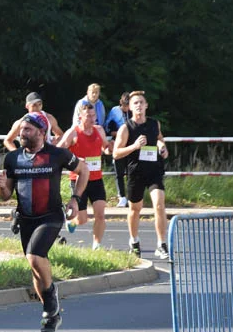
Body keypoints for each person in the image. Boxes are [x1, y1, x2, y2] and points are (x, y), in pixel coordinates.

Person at [0, 112, 89, 332]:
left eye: (27, 129)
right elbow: (6, 195)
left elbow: (83, 170)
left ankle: (51, 299)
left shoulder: (57, 154)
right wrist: (0, 186)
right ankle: (51, 314)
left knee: (35, 256)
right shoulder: (13, 158)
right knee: (36, 268)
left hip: (51, 216)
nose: (21, 134)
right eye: (20, 130)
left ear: (41, 132)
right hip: (26, 218)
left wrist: (75, 199)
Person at [112, 91, 170, 259]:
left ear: (146, 106)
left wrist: (162, 147)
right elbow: (116, 153)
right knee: (135, 209)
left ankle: (161, 244)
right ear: (130, 107)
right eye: (135, 103)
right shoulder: (126, 128)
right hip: (135, 173)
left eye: (141, 102)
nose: (138, 105)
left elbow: (159, 138)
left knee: (159, 204)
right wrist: (134, 147)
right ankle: (134, 241)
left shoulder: (154, 124)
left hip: (154, 171)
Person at [56, 101, 110, 249]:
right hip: (79, 179)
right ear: (80, 117)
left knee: (100, 214)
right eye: (88, 116)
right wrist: (72, 160)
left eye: (94, 116)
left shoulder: (99, 130)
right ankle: (71, 221)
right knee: (81, 220)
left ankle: (96, 245)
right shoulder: (73, 132)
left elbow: (105, 146)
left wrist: (108, 150)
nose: (92, 119)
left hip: (96, 179)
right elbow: (58, 152)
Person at [106, 91, 131, 207]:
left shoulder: (133, 112)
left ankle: (131, 197)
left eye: (129, 105)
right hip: (118, 144)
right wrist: (121, 133)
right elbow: (108, 129)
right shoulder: (115, 111)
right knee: (119, 173)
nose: (127, 108)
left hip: (131, 146)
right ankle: (122, 196)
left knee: (131, 172)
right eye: (125, 105)